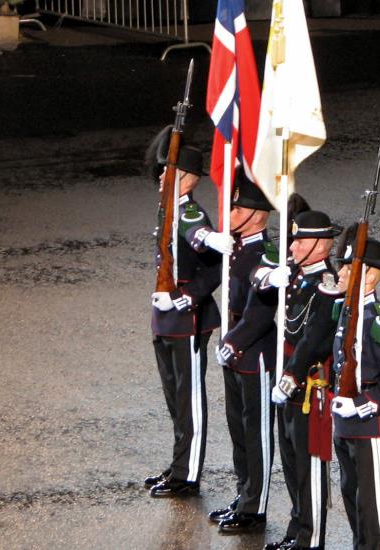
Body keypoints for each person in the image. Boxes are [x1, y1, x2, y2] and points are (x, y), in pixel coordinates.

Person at [187, 169, 278, 532]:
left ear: (258, 214)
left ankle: (255, 508)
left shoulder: (266, 253)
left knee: (256, 435)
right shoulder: (238, 247)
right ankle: (244, 494)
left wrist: (233, 342)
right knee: (238, 429)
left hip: (255, 354)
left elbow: (261, 313)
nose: (231, 215)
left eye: (238, 209)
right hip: (235, 351)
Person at [259, 209, 343, 550]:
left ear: (322, 246)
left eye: (301, 241)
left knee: (309, 465)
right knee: (291, 461)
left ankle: (312, 539)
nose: (293, 247)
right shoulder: (297, 276)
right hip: (288, 380)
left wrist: (291, 375)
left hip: (309, 385)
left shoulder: (327, 285)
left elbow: (315, 339)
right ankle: (297, 529)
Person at [145, 141, 222, 498]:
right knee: (174, 397)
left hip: (188, 316)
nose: (162, 175)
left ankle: (187, 474)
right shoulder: (167, 210)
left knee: (188, 398)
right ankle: (179, 463)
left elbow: (208, 254)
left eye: (170, 170)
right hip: (165, 316)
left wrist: (187, 297)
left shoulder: (190, 212)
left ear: (188, 179)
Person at [330, 235, 380, 550]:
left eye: (348, 270)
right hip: (345, 418)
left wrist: (364, 405)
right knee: (351, 491)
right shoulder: (346, 313)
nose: (340, 274)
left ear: (369, 277)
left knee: (372, 499)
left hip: (370, 422)